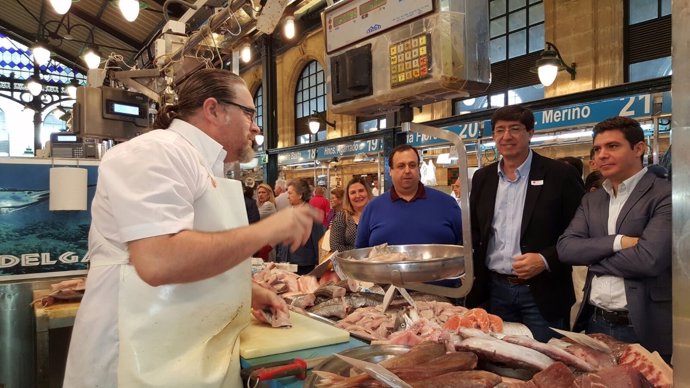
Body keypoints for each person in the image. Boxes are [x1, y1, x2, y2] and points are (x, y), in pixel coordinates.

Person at [63, 68, 322, 388]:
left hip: (183, 353)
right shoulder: (155, 151)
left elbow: (196, 249)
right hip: (136, 357)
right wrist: (268, 230)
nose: (256, 127)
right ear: (213, 109)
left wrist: (247, 292)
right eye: (249, 113)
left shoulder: (202, 164)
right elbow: (159, 259)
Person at [465, 105, 584, 342]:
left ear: (530, 133)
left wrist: (545, 259)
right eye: (500, 130)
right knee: (498, 359)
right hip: (494, 290)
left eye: (515, 129)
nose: (506, 136)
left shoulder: (559, 175)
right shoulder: (482, 178)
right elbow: (475, 231)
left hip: (542, 292)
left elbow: (579, 232)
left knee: (546, 363)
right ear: (493, 136)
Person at [557, 116, 672, 360]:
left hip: (643, 324)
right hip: (595, 321)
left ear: (638, 148)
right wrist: (618, 242)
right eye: (597, 149)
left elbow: (648, 260)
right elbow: (566, 249)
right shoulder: (592, 199)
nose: (602, 155)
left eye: (613, 146)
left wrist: (592, 260)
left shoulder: (665, 194)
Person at [356, 144, 461, 248]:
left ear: (418, 169)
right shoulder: (372, 208)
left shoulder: (447, 204)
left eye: (412, 165)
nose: (407, 171)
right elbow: (361, 252)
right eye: (401, 166)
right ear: (390, 171)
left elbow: (465, 245)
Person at [278, 178, 325, 275]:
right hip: (286, 262)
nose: (288, 197)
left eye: (290, 193)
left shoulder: (310, 213)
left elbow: (318, 239)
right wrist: (280, 256)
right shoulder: (286, 212)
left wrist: (319, 262)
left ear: (300, 195)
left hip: (304, 264)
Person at [330, 177, 373, 252]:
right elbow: (335, 246)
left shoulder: (378, 213)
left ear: (367, 192)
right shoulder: (342, 216)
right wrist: (363, 252)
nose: (358, 195)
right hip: (351, 262)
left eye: (361, 191)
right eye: (353, 192)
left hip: (378, 261)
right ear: (348, 197)